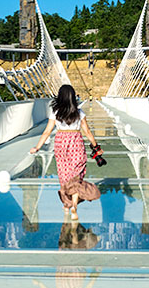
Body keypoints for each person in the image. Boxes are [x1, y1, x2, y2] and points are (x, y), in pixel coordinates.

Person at [30, 84, 101, 220]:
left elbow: (47, 132)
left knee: (64, 177)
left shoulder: (55, 113)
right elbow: (87, 132)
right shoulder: (80, 113)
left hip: (61, 144)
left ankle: (66, 206)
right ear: (73, 97)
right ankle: (74, 205)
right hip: (76, 143)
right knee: (76, 178)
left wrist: (37, 147)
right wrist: (96, 147)